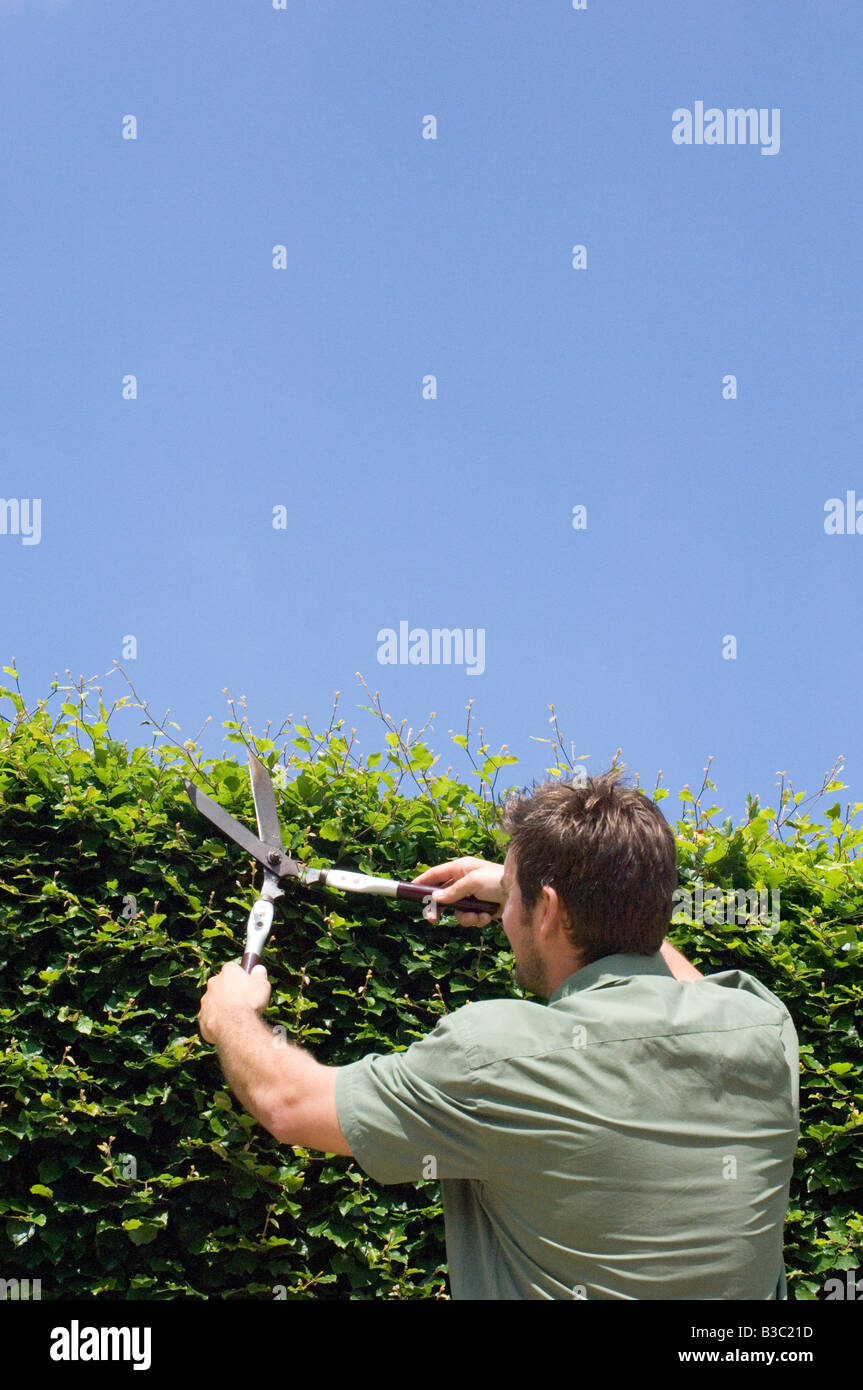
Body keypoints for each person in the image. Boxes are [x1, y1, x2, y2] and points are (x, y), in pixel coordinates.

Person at [197, 770, 799, 1300]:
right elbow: (668, 969)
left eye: (515, 900)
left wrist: (232, 1017)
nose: (505, 913)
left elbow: (287, 1101)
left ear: (550, 912)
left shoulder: (498, 1056)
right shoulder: (765, 1030)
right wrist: (528, 888)